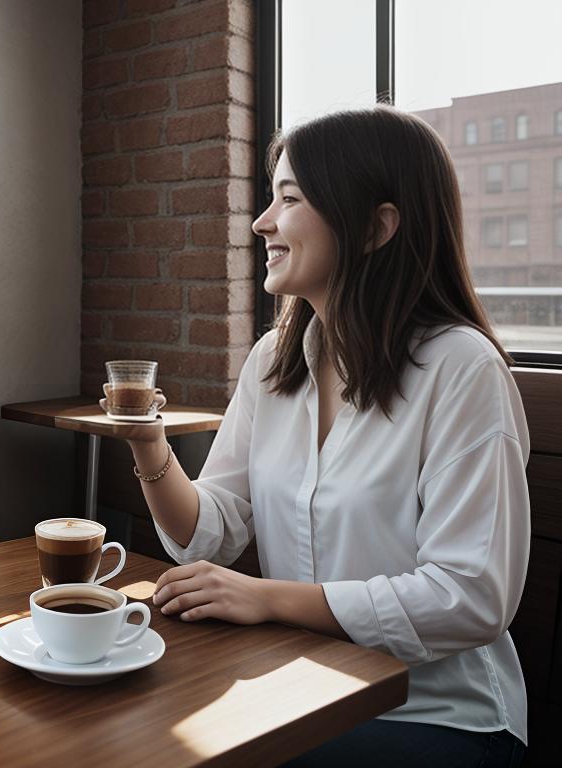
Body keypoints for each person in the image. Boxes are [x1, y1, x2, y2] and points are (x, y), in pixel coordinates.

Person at [107, 106, 529, 767]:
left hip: (437, 713)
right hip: (302, 689)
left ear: (374, 227)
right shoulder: (275, 360)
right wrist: (147, 443)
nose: (261, 222)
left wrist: (266, 597)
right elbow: (209, 532)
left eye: (290, 199)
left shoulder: (461, 368)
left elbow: (470, 597)